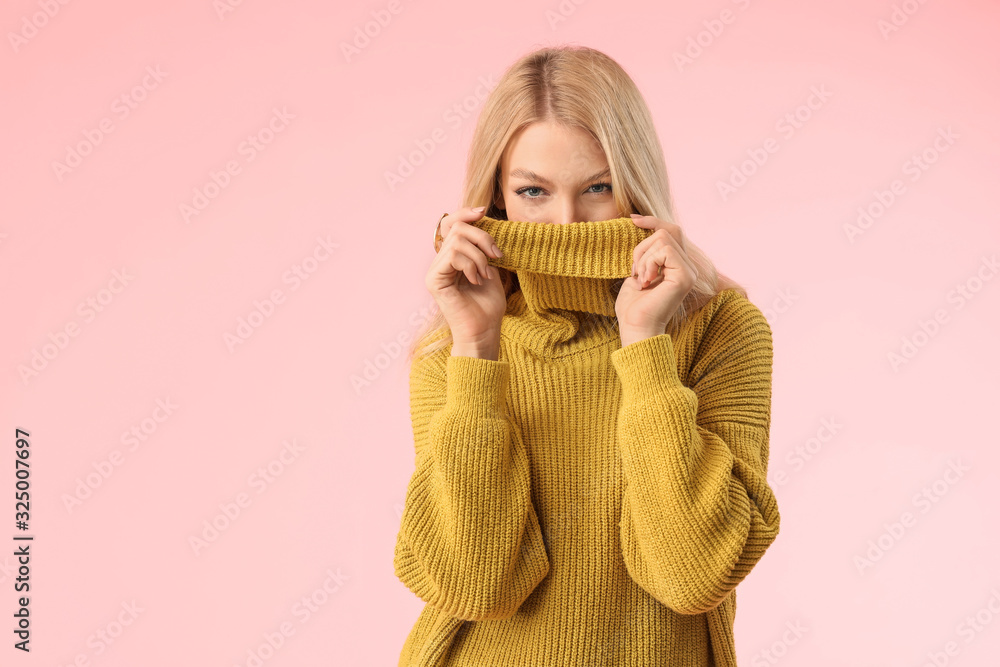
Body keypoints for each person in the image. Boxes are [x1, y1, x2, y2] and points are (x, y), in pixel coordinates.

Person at [394, 45, 780, 667]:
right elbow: (470, 585)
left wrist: (646, 347)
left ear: (635, 183)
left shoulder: (722, 331)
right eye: (533, 192)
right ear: (495, 198)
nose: (567, 224)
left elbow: (695, 573)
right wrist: (476, 351)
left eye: (597, 187)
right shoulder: (453, 350)